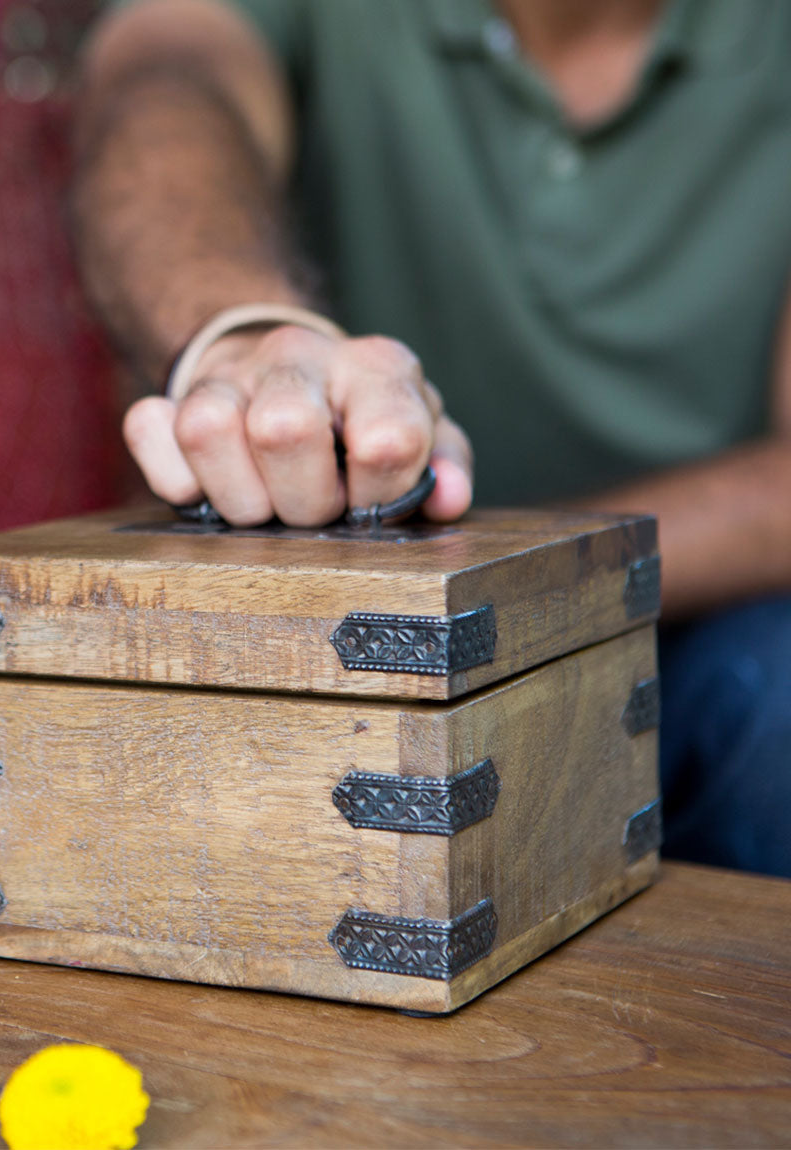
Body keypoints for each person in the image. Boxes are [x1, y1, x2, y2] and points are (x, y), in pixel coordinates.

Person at [72, 0, 791, 875]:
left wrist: (476, 578)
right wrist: (238, 332)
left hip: (691, 608)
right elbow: (165, 69)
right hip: (360, 605)